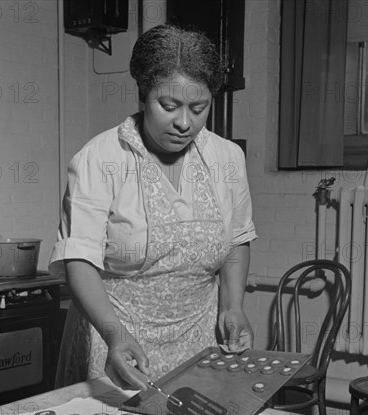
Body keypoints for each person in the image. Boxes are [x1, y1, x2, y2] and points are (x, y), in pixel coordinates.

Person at [49, 24, 257, 392]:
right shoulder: (101, 159)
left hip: (199, 340)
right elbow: (78, 259)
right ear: (143, 95)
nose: (184, 123)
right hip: (118, 342)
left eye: (199, 108)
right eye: (169, 106)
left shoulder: (227, 157)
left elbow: (237, 239)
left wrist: (233, 306)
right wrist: (115, 336)